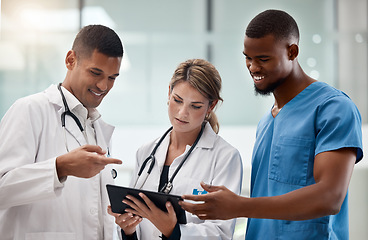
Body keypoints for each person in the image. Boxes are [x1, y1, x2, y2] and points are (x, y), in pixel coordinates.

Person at [179, 9, 363, 239]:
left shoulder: (333, 108)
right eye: (248, 57)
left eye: (263, 59)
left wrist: (239, 206)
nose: (253, 67)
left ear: (292, 52)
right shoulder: (266, 122)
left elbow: (330, 197)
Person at [0, 25, 124, 240]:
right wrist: (60, 167)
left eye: (112, 77)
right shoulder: (30, 110)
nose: (103, 85)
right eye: (96, 72)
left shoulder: (95, 126)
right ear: (70, 60)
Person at [108, 58, 243, 240]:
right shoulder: (146, 153)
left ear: (211, 106)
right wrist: (128, 230)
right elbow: (135, 225)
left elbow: (221, 232)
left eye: (195, 106)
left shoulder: (225, 157)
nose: (182, 113)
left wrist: (174, 231)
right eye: (177, 100)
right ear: (169, 92)